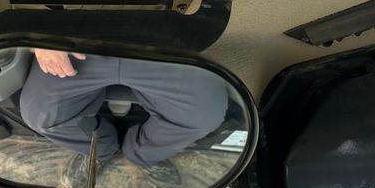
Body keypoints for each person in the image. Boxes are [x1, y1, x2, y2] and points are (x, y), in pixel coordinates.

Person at [19, 49, 229, 171]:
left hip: (163, 44)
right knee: (39, 114)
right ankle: (101, 151)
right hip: (75, 41)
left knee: (204, 114)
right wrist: (39, 38)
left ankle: (140, 157)